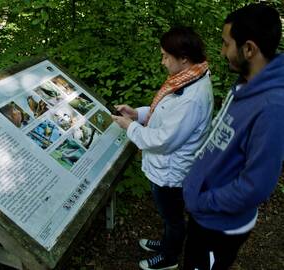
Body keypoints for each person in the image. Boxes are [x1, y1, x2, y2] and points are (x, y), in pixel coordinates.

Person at [182, 4, 284, 270]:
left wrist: (203, 201)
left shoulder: (273, 108)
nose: (222, 51)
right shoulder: (244, 84)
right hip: (204, 214)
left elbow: (257, 185)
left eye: (227, 43)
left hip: (220, 225)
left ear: (249, 49)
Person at [112, 27, 213, 270]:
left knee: (174, 218)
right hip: (165, 166)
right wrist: (137, 114)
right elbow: (165, 115)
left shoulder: (191, 96)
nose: (163, 62)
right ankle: (167, 243)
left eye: (166, 56)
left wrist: (129, 126)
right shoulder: (189, 79)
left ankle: (169, 257)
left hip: (170, 172)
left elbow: (163, 139)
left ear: (184, 59)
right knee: (170, 217)